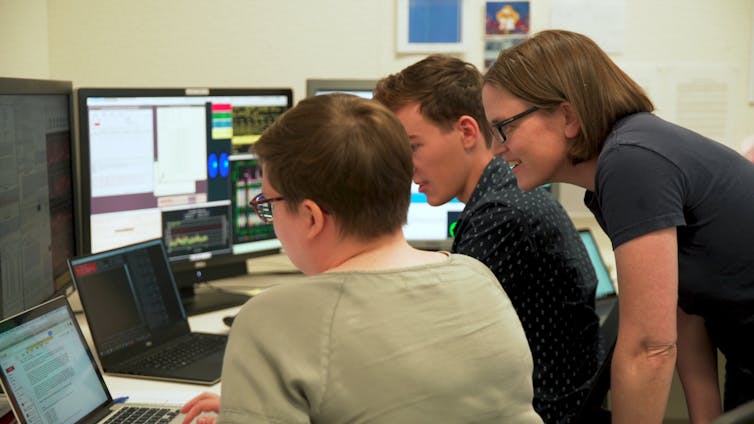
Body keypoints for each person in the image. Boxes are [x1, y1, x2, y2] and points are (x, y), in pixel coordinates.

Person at [180, 94, 543, 424]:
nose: (269, 217)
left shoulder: (271, 320)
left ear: (311, 217)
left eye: (267, 204)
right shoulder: (478, 277)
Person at [483, 29, 754, 423]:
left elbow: (649, 348)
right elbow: (683, 307)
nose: (496, 148)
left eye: (503, 127)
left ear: (568, 117)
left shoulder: (630, 162)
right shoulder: (624, 160)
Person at [374, 55, 601, 424]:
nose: (404, 166)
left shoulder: (501, 217)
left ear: (466, 131)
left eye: (413, 146)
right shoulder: (504, 196)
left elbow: (435, 349)